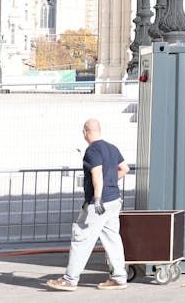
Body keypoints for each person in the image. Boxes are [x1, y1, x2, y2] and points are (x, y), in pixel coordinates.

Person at [46, 119, 129, 291]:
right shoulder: (112, 148)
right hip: (114, 200)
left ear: (85, 132)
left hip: (99, 203)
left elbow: (96, 174)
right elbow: (124, 169)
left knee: (81, 237)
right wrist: (110, 183)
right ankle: (119, 278)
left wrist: (97, 197)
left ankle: (70, 279)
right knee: (113, 238)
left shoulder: (92, 150)